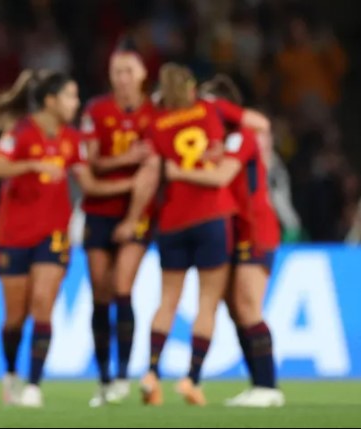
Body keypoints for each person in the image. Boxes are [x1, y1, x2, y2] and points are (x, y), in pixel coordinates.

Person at [0, 72, 135, 407]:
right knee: (14, 317)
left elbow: (90, 185)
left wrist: (135, 186)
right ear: (50, 101)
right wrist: (32, 163)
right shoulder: (20, 132)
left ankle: (34, 385)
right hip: (12, 236)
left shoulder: (72, 138)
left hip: (53, 234)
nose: (75, 103)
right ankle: (10, 374)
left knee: (42, 305)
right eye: (70, 96)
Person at [114, 63, 236, 406]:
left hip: (172, 221)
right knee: (208, 302)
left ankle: (151, 373)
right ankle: (192, 379)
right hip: (211, 216)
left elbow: (151, 175)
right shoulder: (209, 111)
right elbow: (219, 152)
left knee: (167, 300)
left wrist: (133, 218)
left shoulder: (155, 125)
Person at [165, 74, 285, 407]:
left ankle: (268, 387)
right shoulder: (213, 143)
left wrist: (176, 173)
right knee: (235, 310)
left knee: (248, 305)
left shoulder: (240, 138)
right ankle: (259, 384)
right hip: (231, 230)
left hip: (254, 228)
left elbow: (221, 177)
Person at [78, 42, 156, 407]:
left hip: (136, 214)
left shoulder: (155, 113)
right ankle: (105, 377)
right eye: (116, 71)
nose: (122, 78)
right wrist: (127, 159)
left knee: (123, 287)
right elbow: (92, 164)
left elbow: (153, 168)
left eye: (128, 71)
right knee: (100, 293)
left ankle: (124, 375)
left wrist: (133, 217)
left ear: (142, 75)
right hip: (98, 210)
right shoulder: (97, 110)